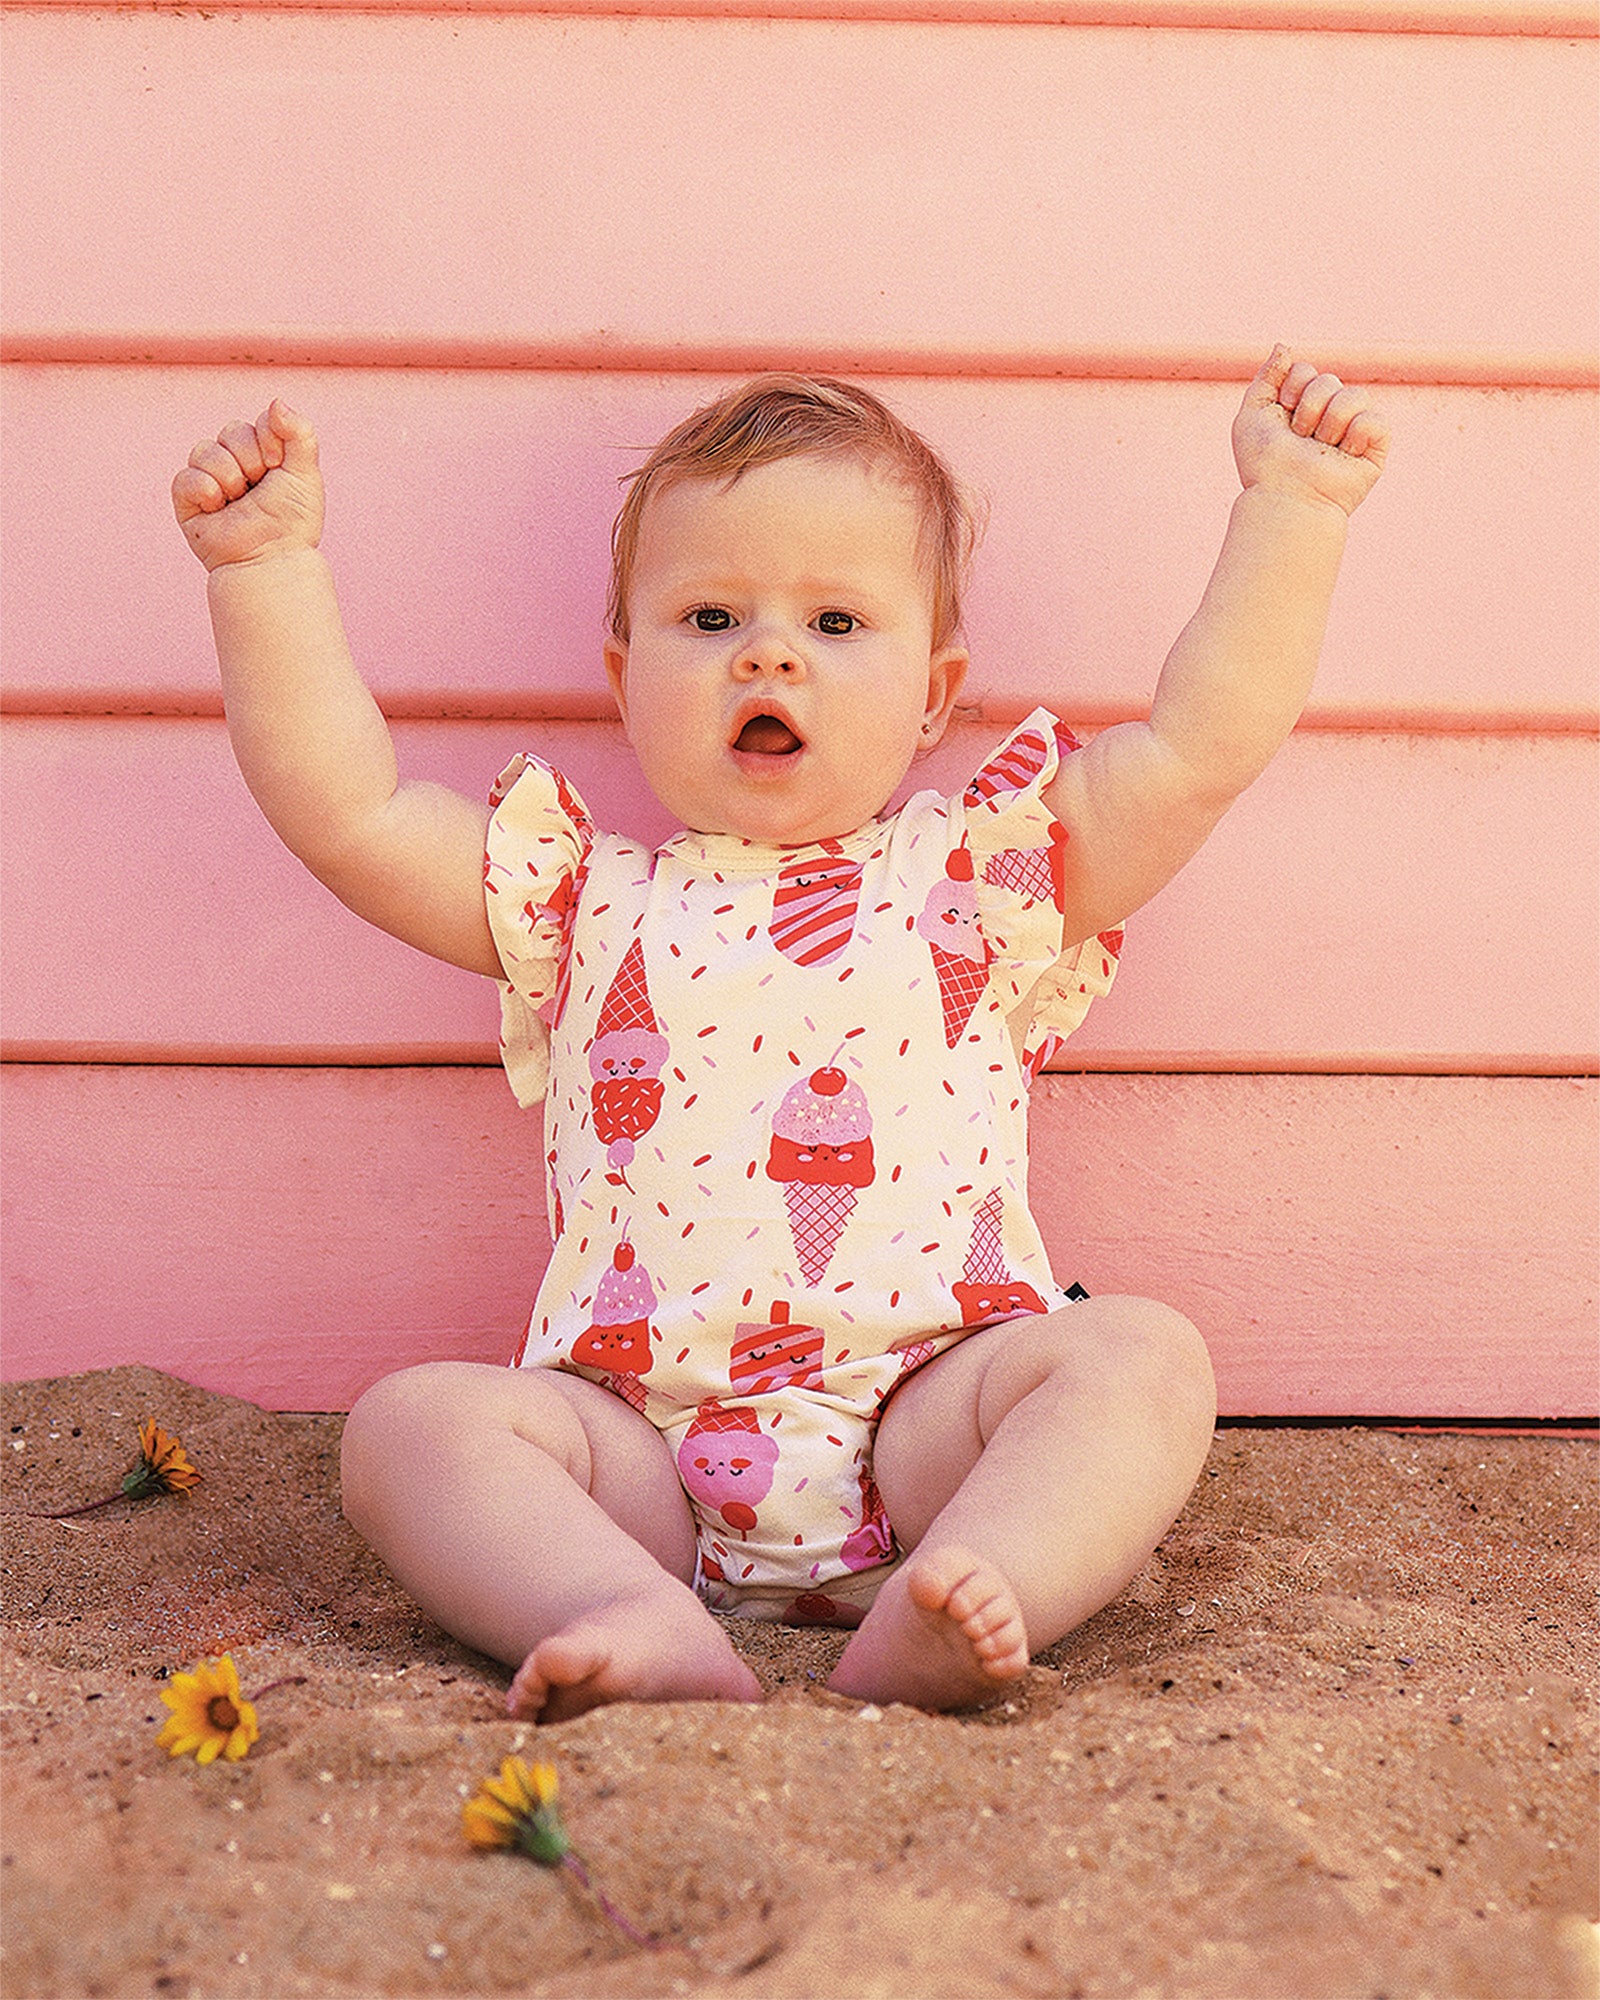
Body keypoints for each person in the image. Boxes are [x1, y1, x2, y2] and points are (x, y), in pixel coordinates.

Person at [172, 350, 1388, 1720]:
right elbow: (352, 814)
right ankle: (619, 1610)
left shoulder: (980, 882)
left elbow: (1194, 750)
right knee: (406, 1432)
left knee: (1143, 1360)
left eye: (836, 623)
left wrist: (1294, 510)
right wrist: (263, 571)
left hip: (933, 1426)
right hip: (637, 1458)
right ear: (625, 675)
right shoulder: (584, 901)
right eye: (709, 616)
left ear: (935, 694)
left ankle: (980, 1586)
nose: (770, 652)